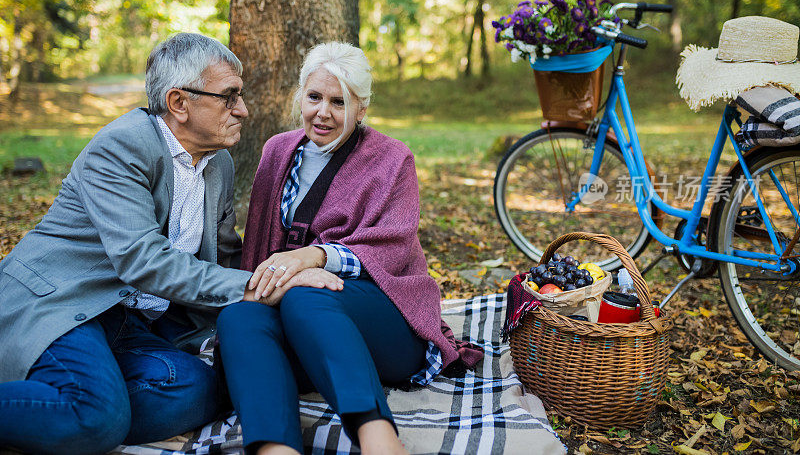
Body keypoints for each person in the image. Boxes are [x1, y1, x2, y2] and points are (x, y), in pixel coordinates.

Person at [0, 33, 342, 455]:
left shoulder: (219, 163)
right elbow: (143, 261)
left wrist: (280, 288)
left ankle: (68, 407)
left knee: (200, 390)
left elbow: (225, 253)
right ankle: (88, 412)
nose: (243, 109)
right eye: (229, 97)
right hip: (60, 306)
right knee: (97, 417)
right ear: (179, 103)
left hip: (128, 322)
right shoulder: (123, 145)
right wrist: (260, 287)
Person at [216, 41, 484, 455]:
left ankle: (378, 437)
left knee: (307, 295)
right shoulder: (277, 152)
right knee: (238, 319)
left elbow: (391, 248)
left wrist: (314, 258)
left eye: (339, 102)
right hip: (300, 326)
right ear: (300, 96)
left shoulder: (392, 159)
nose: (323, 112)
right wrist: (274, 284)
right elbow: (259, 249)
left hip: (386, 323)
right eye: (314, 97)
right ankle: (275, 448)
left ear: (361, 109)